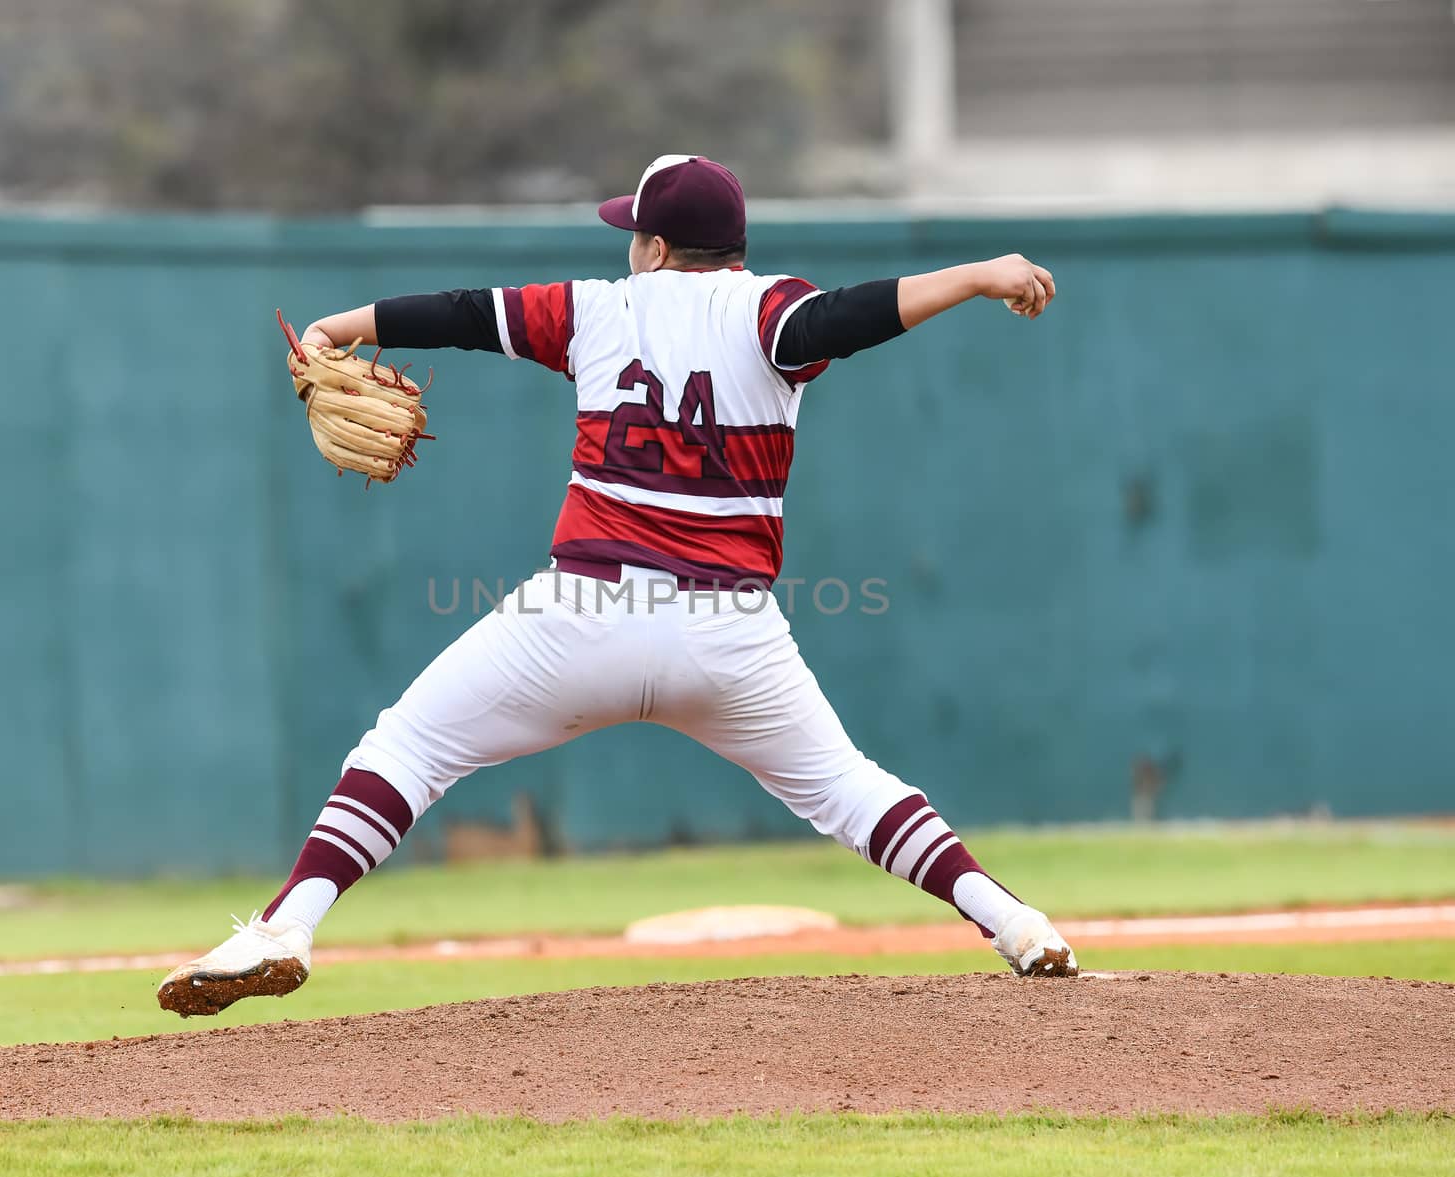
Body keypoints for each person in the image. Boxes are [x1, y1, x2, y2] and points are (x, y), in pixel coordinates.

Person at [157, 154, 1074, 1018]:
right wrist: (978, 274)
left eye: (634, 231)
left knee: (408, 748)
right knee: (849, 790)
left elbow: (462, 314)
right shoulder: (770, 312)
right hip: (729, 634)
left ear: (657, 248)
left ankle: (286, 928)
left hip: (583, 617)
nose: (628, 245)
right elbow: (853, 315)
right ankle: (1011, 920)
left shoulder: (596, 308)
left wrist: (337, 328)